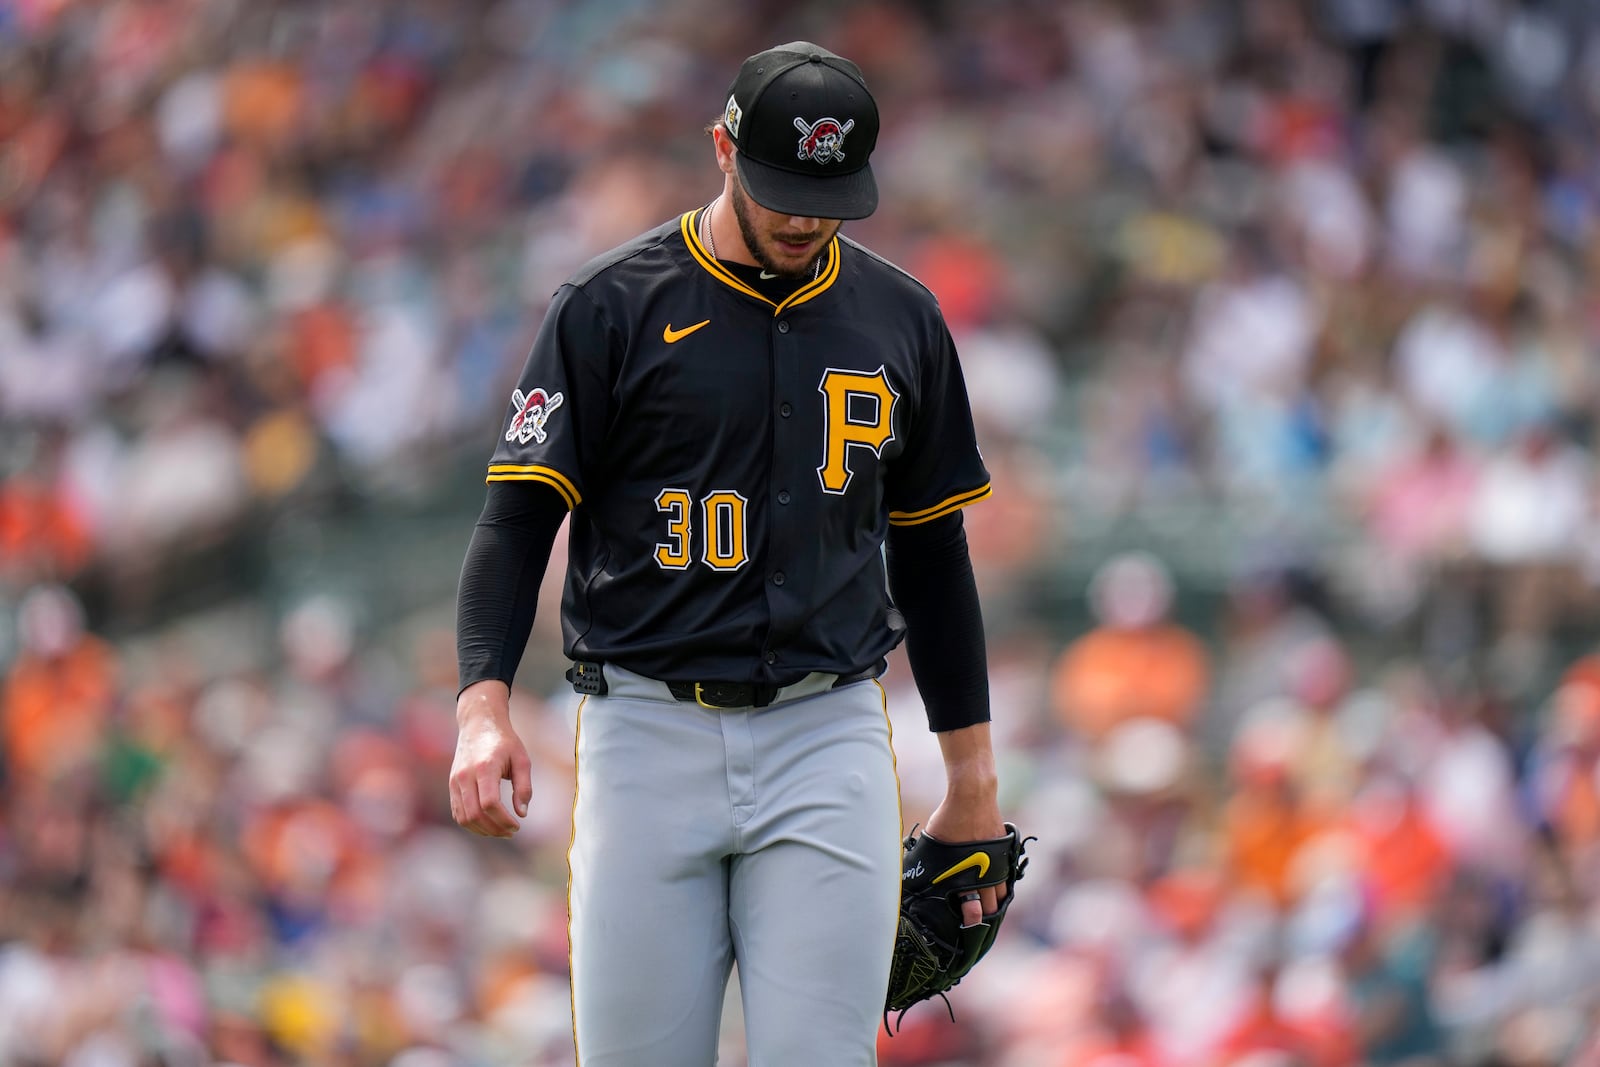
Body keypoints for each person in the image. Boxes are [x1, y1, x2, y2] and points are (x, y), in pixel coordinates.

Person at [449, 41, 1004, 1066]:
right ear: (721, 150)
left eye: (826, 193)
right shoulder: (611, 304)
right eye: (781, 187)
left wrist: (971, 775)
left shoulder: (901, 316)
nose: (802, 217)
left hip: (824, 729)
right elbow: (516, 515)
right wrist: (482, 705)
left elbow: (933, 550)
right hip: (644, 732)